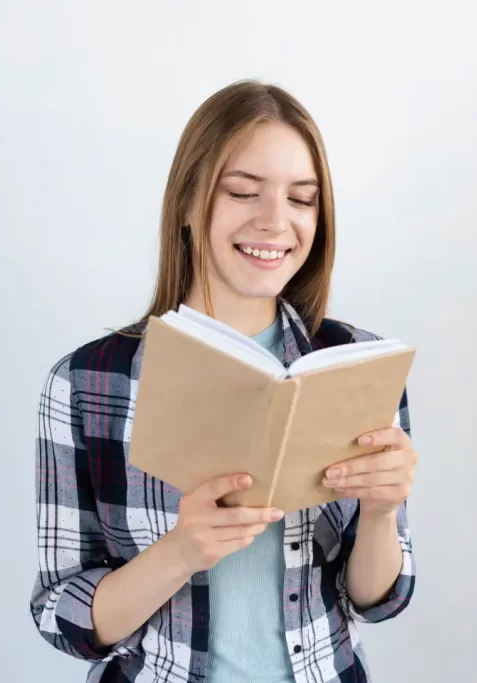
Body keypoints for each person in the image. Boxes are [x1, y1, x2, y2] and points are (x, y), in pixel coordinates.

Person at [30, 80, 417, 683]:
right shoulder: (85, 382)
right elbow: (63, 617)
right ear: (187, 203)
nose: (275, 222)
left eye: (302, 199)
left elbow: (378, 599)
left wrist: (381, 512)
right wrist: (182, 550)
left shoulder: (355, 363)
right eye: (242, 191)